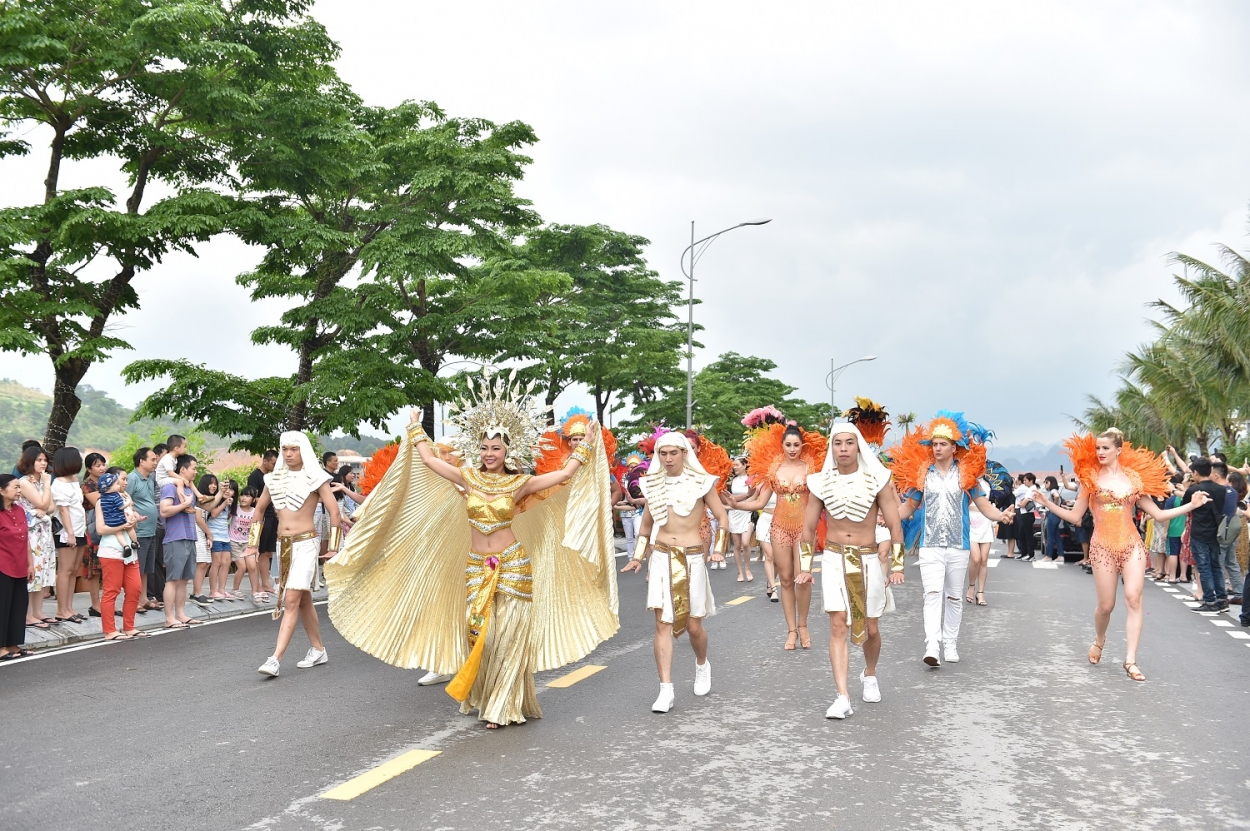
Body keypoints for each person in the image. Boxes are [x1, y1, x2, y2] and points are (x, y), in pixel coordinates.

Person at [326, 370, 618, 727]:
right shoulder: (467, 476)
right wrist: (416, 427)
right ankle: (485, 694)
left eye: (496, 447)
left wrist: (588, 443)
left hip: (513, 565)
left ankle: (501, 706)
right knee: (483, 634)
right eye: (484, 447)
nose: (490, 453)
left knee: (509, 638)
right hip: (477, 566)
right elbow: (431, 462)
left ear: (509, 450)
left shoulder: (520, 483)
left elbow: (563, 475)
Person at [1035, 430, 1208, 681]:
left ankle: (1131, 660)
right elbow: (1075, 517)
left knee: (1134, 599)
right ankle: (1100, 638)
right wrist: (1047, 503)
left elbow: (1158, 514)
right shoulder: (1090, 479)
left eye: (1105, 448)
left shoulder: (1135, 479)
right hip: (1102, 546)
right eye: (1098, 448)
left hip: (1132, 545)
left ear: (1119, 450)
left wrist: (1191, 505)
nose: (1100, 453)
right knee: (1106, 606)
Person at [890, 411, 1013, 666]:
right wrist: (887, 517)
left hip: (959, 544)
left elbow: (983, 505)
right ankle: (932, 645)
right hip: (930, 545)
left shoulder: (967, 477)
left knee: (954, 597)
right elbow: (909, 507)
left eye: (942, 444)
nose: (937, 448)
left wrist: (1001, 517)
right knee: (932, 594)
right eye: (934, 444)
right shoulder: (922, 474)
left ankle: (950, 642)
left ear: (954, 448)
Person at [801, 422, 905, 719]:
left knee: (871, 628)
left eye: (848, 443)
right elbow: (808, 528)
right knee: (838, 624)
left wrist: (896, 565)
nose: (843, 448)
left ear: (857, 446)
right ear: (831, 448)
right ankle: (842, 696)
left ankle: (869, 673)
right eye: (837, 443)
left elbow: (895, 524)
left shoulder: (878, 479)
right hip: (833, 559)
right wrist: (805, 566)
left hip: (869, 559)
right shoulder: (819, 482)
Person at [621, 430, 729, 713]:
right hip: (660, 557)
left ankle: (702, 663)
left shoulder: (702, 483)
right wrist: (637, 558)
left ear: (684, 454)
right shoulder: (652, 484)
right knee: (662, 624)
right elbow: (645, 526)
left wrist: (718, 547)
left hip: (692, 558)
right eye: (662, 453)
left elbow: (722, 516)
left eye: (673, 453)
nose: (668, 459)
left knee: (694, 626)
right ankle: (666, 689)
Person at [246, 432, 342, 678]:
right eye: (285, 449)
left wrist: (333, 547)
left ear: (303, 451)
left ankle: (275, 659)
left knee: (291, 600)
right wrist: (252, 544)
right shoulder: (273, 478)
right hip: (283, 545)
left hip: (307, 543)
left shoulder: (317, 477)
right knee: (303, 599)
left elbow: (333, 511)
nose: (288, 454)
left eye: (294, 449)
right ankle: (318, 649)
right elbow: (258, 510)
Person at [731, 416, 827, 650]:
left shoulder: (813, 467)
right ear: (782, 445)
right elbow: (760, 502)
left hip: (804, 530)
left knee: (802, 579)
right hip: (780, 528)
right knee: (785, 580)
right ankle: (791, 631)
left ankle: (803, 626)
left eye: (796, 445)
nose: (792, 449)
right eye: (788, 445)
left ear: (802, 446)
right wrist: (736, 504)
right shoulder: (773, 468)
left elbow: (823, 500)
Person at [93, 471, 147, 641]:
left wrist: (132, 522)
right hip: (111, 551)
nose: (124, 483)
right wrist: (123, 526)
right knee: (112, 590)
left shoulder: (124, 499)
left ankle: (129, 627)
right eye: (121, 480)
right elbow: (101, 529)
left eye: (124, 480)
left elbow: (133, 526)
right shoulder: (102, 501)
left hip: (130, 551)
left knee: (135, 589)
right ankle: (110, 630)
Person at [159, 454, 203, 629]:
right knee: (173, 579)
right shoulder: (170, 486)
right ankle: (169, 617)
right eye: (193, 468)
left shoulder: (188, 489)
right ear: (182, 469)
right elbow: (164, 510)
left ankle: (181, 614)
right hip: (175, 538)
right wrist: (184, 506)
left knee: (184, 579)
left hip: (190, 536)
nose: (196, 472)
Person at [16, 446, 56, 629]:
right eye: (39, 460)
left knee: (44, 570)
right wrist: (47, 486)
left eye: (45, 460)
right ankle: (28, 614)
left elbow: (51, 507)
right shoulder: (25, 482)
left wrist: (44, 505)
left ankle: (38, 612)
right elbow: (42, 503)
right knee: (33, 571)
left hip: (44, 531)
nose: (43, 463)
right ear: (30, 461)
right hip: (32, 532)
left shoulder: (41, 481)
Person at [50, 447, 88, 624]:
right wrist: (70, 533)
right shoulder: (58, 483)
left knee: (74, 570)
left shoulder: (73, 480)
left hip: (80, 529)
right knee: (65, 570)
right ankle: (61, 610)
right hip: (67, 531)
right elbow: (63, 510)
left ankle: (69, 608)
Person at [0, 474, 33, 660]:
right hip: (2, 565)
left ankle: (13, 644)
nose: (19, 491)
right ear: (1, 490)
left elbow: (26, 538)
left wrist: (30, 564)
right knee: (2, 606)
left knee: (18, 605)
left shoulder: (19, 510)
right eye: (15, 487)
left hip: (20, 563)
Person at [126, 447, 163, 611]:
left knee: (147, 568)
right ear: (141, 461)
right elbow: (125, 501)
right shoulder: (132, 479)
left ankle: (143, 598)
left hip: (151, 529)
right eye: (153, 459)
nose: (156, 462)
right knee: (136, 567)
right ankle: (133, 601)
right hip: (138, 531)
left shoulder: (150, 479)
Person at [246, 449, 279, 601]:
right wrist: (267, 499)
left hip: (273, 516)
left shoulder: (274, 477)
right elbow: (250, 498)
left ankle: (266, 583)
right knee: (258, 551)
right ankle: (257, 584)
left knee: (268, 552)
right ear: (265, 461)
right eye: (273, 463)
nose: (275, 466)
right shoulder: (255, 476)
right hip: (262, 517)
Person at [725, 458, 755, 582]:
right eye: (733, 466)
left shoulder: (750, 479)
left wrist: (740, 505)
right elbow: (727, 497)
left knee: (745, 543)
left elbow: (754, 496)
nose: (735, 467)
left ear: (744, 465)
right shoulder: (732, 481)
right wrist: (730, 506)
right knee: (737, 545)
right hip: (733, 513)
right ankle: (740, 572)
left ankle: (747, 568)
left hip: (747, 512)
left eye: (737, 465)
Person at [229, 487, 261, 600]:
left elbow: (256, 529)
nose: (243, 498)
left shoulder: (255, 512)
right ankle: (235, 589)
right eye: (242, 495)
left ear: (253, 500)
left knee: (252, 567)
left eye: (247, 496)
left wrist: (255, 546)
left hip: (248, 543)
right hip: (235, 542)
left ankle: (255, 592)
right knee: (242, 567)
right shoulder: (235, 509)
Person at [965, 479, 994, 604]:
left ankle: (981, 592)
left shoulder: (989, 483)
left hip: (986, 523)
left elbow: (992, 504)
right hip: (971, 522)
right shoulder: (968, 480)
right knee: (975, 558)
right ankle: (971, 586)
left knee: (984, 559)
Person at [1013, 473, 1039, 562]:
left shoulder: (1031, 489)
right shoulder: (1030, 489)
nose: (1024, 482)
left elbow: (1023, 503)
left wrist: (1020, 504)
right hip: (1024, 514)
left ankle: (1031, 554)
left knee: (1028, 535)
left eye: (1025, 480)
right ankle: (1024, 553)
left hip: (1027, 514)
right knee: (1022, 534)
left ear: (1031, 480)